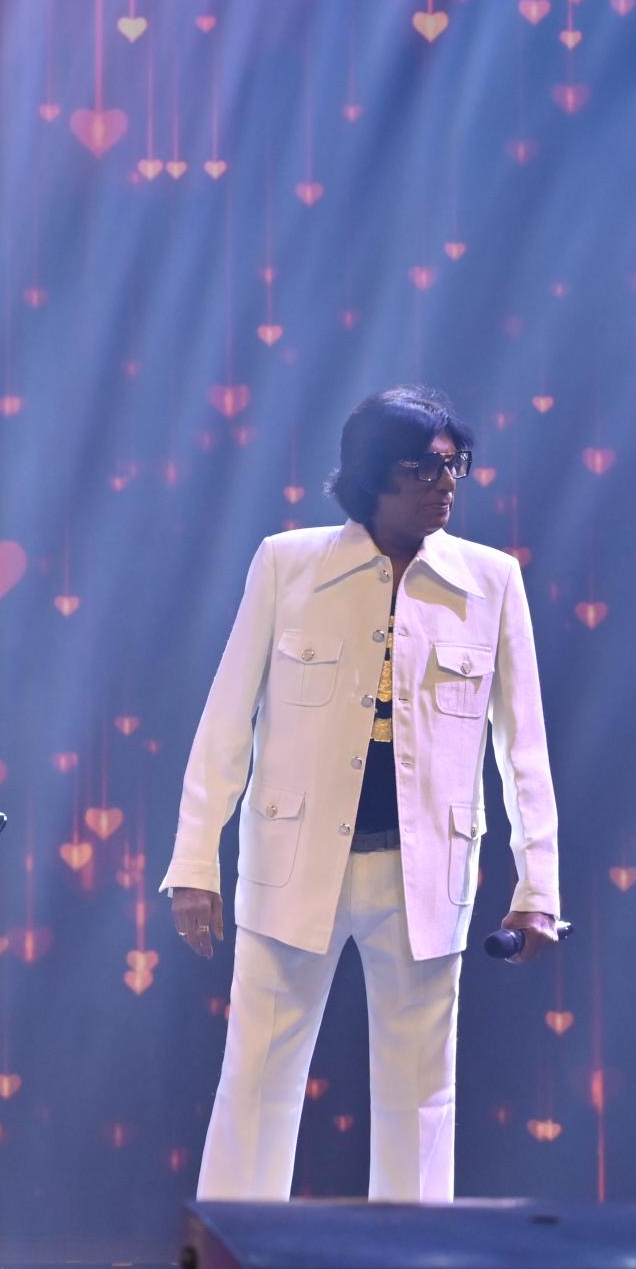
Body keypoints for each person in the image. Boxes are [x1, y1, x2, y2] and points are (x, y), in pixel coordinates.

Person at [162, 385, 563, 1208]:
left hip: (426, 870)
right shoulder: (289, 564)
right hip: (293, 860)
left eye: (455, 466)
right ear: (373, 473)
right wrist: (195, 864)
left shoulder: (491, 581)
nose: (444, 485)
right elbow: (226, 720)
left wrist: (538, 888)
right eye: (423, 468)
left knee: (421, 1098)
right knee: (255, 1084)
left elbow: (523, 747)